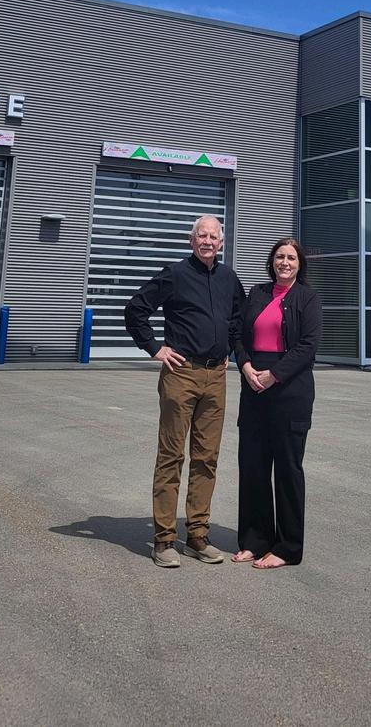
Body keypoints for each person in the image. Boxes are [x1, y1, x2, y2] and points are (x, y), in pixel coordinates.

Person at [124, 214, 245, 568]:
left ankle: (197, 535)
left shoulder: (228, 278)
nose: (207, 241)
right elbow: (135, 309)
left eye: (213, 236)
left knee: (207, 458)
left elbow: (238, 320)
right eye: (201, 235)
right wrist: (154, 348)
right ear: (191, 241)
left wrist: (230, 350)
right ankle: (163, 539)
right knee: (172, 455)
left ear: (221, 242)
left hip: (216, 377)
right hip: (181, 374)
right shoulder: (175, 275)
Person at [232, 237, 322, 569]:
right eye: (280, 256)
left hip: (290, 392)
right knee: (253, 467)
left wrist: (275, 374)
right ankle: (254, 541)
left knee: (287, 469)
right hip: (254, 387)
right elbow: (237, 335)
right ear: (272, 262)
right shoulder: (257, 294)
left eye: (291, 258)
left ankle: (286, 548)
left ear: (300, 264)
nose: (285, 262)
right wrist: (245, 366)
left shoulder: (308, 298)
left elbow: (309, 345)